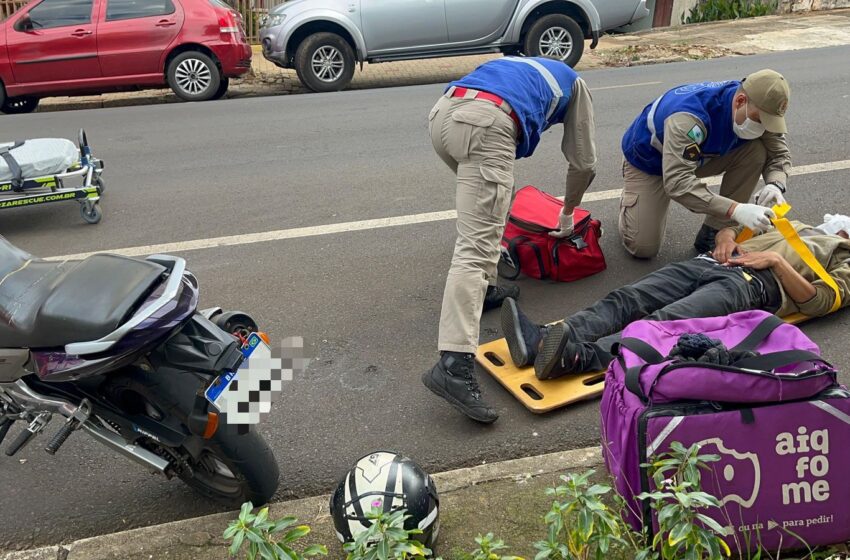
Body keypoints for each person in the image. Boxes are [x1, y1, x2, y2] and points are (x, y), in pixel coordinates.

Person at [422, 56, 598, 424]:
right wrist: (568, 212)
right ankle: (453, 365)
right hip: (487, 124)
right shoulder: (575, 85)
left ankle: (483, 290)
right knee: (476, 246)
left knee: (496, 199)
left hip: (443, 114)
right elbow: (583, 164)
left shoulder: (523, 65)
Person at [501, 214, 850, 380]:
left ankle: (578, 358)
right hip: (708, 263)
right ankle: (542, 340)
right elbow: (731, 227)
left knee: (661, 323)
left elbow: (818, 302)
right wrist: (725, 237)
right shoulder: (794, 224)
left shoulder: (843, 257)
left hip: (748, 284)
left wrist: (774, 261)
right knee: (627, 298)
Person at [619, 69, 792, 259]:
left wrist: (775, 184)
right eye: (759, 120)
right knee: (643, 247)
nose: (763, 127)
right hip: (650, 162)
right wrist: (736, 209)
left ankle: (717, 230)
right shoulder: (688, 118)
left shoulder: (759, 107)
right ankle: (631, 203)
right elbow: (677, 182)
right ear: (740, 101)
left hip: (698, 156)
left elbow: (779, 154)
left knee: (756, 151)